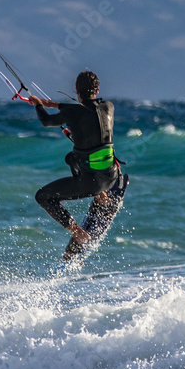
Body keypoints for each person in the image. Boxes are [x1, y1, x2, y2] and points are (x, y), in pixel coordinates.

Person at [29, 71, 119, 246]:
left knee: (43, 197)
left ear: (77, 91)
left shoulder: (73, 113)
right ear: (97, 90)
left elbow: (46, 121)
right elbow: (84, 112)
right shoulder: (109, 107)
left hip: (91, 182)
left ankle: (78, 233)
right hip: (111, 176)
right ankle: (102, 195)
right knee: (73, 157)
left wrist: (39, 105)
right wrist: (53, 104)